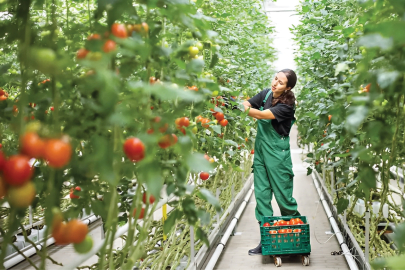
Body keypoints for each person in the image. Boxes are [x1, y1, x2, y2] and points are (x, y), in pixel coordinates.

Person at [242, 69, 301, 256]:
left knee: (284, 198)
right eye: (276, 78)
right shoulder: (266, 93)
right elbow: (248, 103)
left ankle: (296, 238)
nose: (275, 83)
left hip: (277, 155)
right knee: (262, 196)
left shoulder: (287, 105)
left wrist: (241, 109)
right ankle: (266, 240)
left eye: (281, 82)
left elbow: (260, 115)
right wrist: (240, 104)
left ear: (288, 87)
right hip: (260, 153)